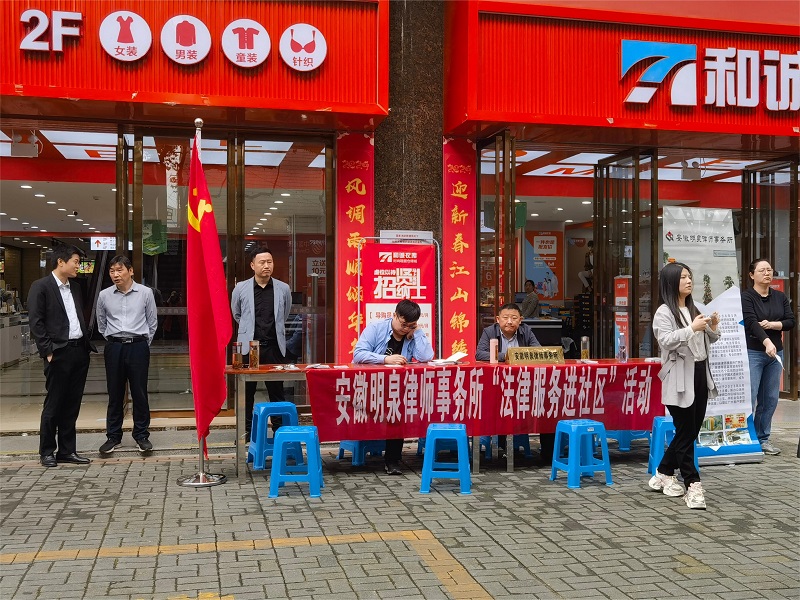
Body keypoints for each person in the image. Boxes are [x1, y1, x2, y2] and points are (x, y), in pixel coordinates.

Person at [649, 262, 720, 510]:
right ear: (670, 282)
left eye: (689, 276)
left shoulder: (693, 307)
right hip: (679, 376)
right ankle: (693, 484)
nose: (689, 281)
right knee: (686, 430)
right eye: (683, 277)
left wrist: (712, 326)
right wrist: (691, 328)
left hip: (700, 372)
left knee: (688, 431)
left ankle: (663, 471)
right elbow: (666, 341)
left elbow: (708, 339)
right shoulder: (664, 312)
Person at [27, 244, 97, 468]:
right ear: (61, 262)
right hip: (58, 353)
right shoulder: (41, 286)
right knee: (54, 403)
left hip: (79, 351)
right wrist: (47, 351)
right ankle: (47, 451)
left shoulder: (75, 287)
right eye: (76, 261)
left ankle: (67, 450)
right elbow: (36, 322)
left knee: (72, 404)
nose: (78, 266)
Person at [353, 299, 434, 475]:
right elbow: (358, 354)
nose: (405, 329)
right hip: (372, 386)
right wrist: (385, 359)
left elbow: (426, 357)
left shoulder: (412, 334)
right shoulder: (376, 328)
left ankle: (393, 460)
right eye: (403, 324)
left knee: (398, 410)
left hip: (398, 389)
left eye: (411, 325)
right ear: (395, 315)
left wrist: (417, 332)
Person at [96, 256, 158, 455]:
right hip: (114, 347)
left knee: (139, 392)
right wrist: (113, 340)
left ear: (130, 271)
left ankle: (141, 435)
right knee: (114, 393)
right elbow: (101, 324)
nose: (115, 274)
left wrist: (142, 343)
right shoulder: (104, 295)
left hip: (138, 346)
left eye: (119, 270)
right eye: (112, 271)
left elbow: (152, 322)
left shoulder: (145, 293)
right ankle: (113, 437)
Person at [231, 245, 293, 441]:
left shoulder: (283, 288)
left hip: (274, 347)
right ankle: (246, 433)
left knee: (276, 392)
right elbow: (237, 314)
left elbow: (285, 314)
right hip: (249, 348)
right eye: (262, 262)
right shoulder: (241, 288)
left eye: (270, 262)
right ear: (252, 265)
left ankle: (279, 432)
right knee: (246, 393)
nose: (267, 266)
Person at [741, 258, 794, 455]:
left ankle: (762, 438)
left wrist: (772, 325)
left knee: (770, 398)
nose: (767, 273)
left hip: (775, 353)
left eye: (769, 270)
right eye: (762, 270)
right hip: (754, 352)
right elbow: (751, 322)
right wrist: (766, 341)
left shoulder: (780, 296)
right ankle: (745, 438)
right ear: (751, 275)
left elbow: (790, 321)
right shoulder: (747, 297)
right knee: (750, 395)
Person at [476, 302, 542, 458]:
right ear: (498, 319)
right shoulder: (489, 332)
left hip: (521, 385)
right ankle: (497, 441)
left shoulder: (526, 331)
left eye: (514, 318)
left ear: (521, 320)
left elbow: (538, 351)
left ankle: (516, 440)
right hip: (495, 385)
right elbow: (479, 354)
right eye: (505, 318)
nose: (510, 322)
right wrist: (506, 356)